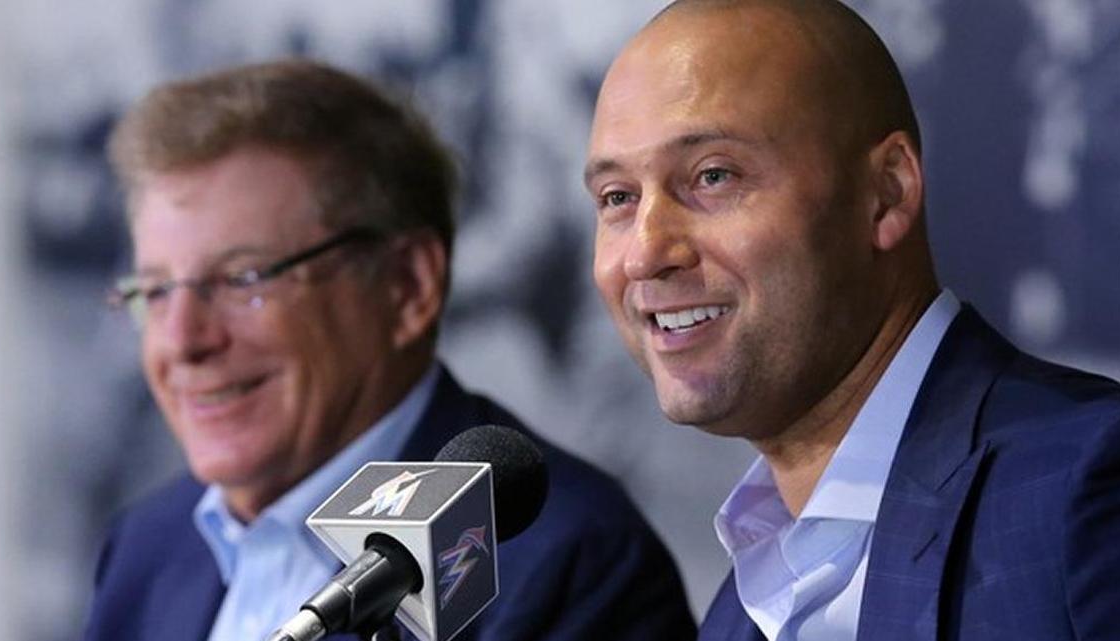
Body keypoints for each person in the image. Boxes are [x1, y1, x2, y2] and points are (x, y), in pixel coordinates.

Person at [83, 58, 695, 641]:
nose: (184, 340)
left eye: (244, 279)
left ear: (408, 287)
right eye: (156, 290)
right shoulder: (147, 545)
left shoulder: (567, 563)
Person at [585, 0, 1120, 639]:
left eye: (713, 176)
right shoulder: (737, 613)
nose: (646, 252)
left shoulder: (1086, 490)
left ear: (887, 192)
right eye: (618, 197)